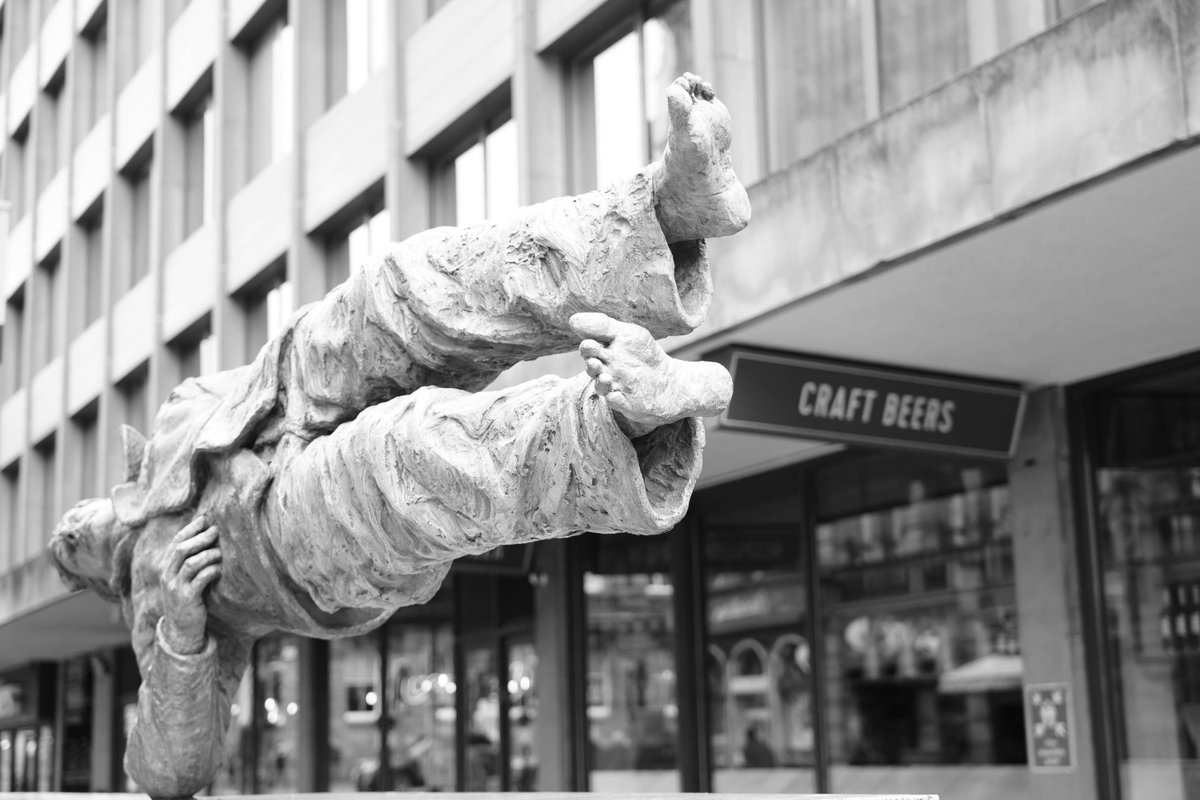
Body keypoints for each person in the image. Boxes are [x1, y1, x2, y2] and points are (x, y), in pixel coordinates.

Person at [48, 74, 749, 798]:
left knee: (409, 292)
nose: (75, 528)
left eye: (69, 523)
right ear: (98, 577)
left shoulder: (165, 426)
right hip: (283, 538)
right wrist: (182, 638)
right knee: (405, 456)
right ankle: (630, 417)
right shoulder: (155, 601)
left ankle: (665, 210)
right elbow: (169, 775)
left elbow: (276, 371)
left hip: (283, 381)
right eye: (71, 549)